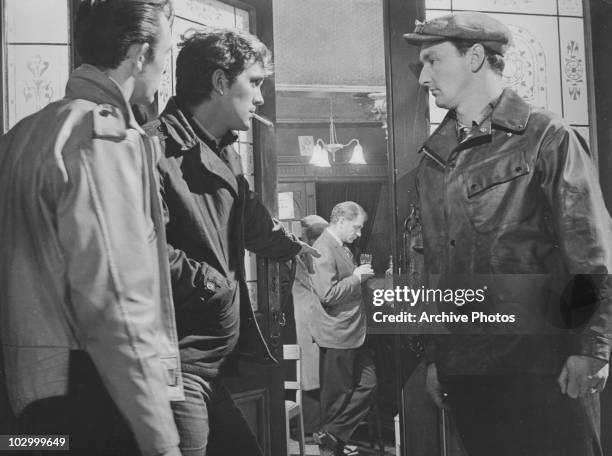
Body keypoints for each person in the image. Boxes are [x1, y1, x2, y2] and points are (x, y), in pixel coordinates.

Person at [403, 11, 612, 456]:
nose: (424, 77)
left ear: (476, 56)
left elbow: (589, 250)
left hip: (542, 363)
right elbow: (432, 267)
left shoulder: (546, 137)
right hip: (466, 369)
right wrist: (436, 357)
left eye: (433, 61)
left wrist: (592, 346)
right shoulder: (433, 159)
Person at [0, 1, 183, 456]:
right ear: (140, 54)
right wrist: (161, 440)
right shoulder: (101, 137)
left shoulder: (20, 136)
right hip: (90, 394)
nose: (164, 66)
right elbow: (116, 300)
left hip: (24, 398)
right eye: (166, 51)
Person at [144, 28, 319, 456]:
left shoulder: (224, 150)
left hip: (212, 362)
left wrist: (293, 247)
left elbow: (252, 220)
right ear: (221, 82)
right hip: (176, 363)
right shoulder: (153, 148)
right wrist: (216, 287)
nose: (260, 98)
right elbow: (145, 251)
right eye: (255, 82)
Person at [310, 202, 377, 456]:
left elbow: (351, 288)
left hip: (352, 332)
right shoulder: (322, 249)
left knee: (369, 384)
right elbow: (328, 294)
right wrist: (357, 277)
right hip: (336, 333)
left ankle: (332, 436)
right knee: (337, 399)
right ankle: (330, 446)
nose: (359, 233)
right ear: (340, 221)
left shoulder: (343, 249)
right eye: (357, 227)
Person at [292, 215, 330, 433]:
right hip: (310, 315)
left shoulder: (304, 252)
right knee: (312, 373)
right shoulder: (305, 255)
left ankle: (312, 426)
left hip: (310, 315)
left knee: (313, 372)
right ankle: (311, 427)